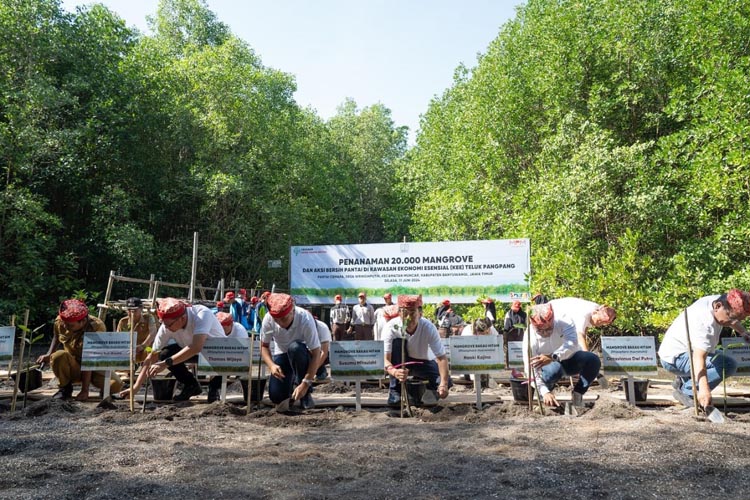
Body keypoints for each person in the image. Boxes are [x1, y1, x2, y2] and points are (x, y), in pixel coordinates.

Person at [658, 289, 750, 409]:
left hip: (682, 351)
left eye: (738, 319)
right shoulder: (705, 323)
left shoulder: (721, 300)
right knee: (728, 364)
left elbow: (732, 316)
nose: (733, 322)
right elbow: (699, 357)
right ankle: (688, 391)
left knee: (722, 356)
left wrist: (743, 332)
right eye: (732, 318)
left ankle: (684, 381)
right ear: (718, 306)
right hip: (675, 358)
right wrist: (704, 390)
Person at [134, 297, 225, 401]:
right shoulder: (166, 326)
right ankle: (191, 385)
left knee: (232, 359)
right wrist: (135, 387)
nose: (166, 328)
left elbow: (196, 347)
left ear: (182, 318)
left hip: (217, 352)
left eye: (169, 325)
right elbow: (152, 356)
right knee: (164, 354)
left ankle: (214, 387)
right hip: (191, 351)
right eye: (164, 324)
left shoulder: (202, 314)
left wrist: (165, 364)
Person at [36, 299, 123, 401]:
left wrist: (85, 390)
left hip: (93, 364)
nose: (65, 327)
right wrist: (49, 354)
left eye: (70, 325)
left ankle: (104, 391)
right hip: (73, 364)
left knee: (116, 385)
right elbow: (56, 337)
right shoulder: (61, 321)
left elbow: (89, 359)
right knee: (57, 356)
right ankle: (65, 389)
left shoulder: (97, 327)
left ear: (83, 321)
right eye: (64, 323)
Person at [523, 303, 601, 407]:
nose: (545, 332)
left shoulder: (564, 320)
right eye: (540, 330)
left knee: (593, 360)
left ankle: (578, 393)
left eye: (548, 328)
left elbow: (572, 344)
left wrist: (553, 357)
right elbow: (530, 368)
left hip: (571, 359)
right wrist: (544, 391)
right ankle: (547, 395)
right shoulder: (530, 337)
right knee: (554, 369)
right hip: (546, 368)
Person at [382, 295, 450, 407]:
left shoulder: (428, 327)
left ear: (420, 313)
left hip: (421, 362)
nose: (408, 318)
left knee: (444, 379)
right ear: (399, 313)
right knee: (397, 343)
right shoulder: (391, 328)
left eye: (412, 313)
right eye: (405, 313)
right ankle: (395, 392)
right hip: (399, 363)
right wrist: (394, 372)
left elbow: (441, 357)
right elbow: (385, 360)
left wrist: (444, 384)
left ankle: (430, 394)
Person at [260, 293, 321, 409]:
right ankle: (291, 385)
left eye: (284, 319)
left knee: (295, 348)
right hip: (282, 355)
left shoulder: (305, 319)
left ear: (292, 310)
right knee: (276, 396)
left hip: (301, 355)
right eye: (276, 320)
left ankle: (305, 393)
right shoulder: (268, 320)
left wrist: (305, 383)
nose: (280, 323)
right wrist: (272, 365)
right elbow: (264, 346)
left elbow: (317, 353)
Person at [206, 311, 250, 403]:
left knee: (232, 368)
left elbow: (244, 351)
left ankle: (215, 387)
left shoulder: (240, 330)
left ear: (231, 325)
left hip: (235, 356)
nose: (221, 330)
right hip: (217, 355)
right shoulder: (212, 329)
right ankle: (213, 389)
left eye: (223, 328)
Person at [548, 297, 616, 352]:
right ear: (595, 313)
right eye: (599, 321)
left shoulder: (597, 309)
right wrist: (587, 354)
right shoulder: (584, 315)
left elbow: (585, 328)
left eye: (603, 323)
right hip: (552, 312)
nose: (599, 324)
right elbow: (579, 335)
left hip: (563, 317)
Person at [116, 297, 157, 364]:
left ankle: (147, 370)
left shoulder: (149, 318)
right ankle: (128, 369)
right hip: (130, 350)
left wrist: (142, 346)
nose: (132, 312)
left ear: (141, 309)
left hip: (145, 347)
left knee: (151, 351)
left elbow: (153, 333)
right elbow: (119, 338)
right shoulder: (123, 321)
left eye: (135, 310)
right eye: (129, 310)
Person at [311, 314, 332, 381]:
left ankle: (321, 371)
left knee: (314, 353)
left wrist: (312, 371)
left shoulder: (322, 327)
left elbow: (324, 353)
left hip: (325, 352)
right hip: (311, 349)